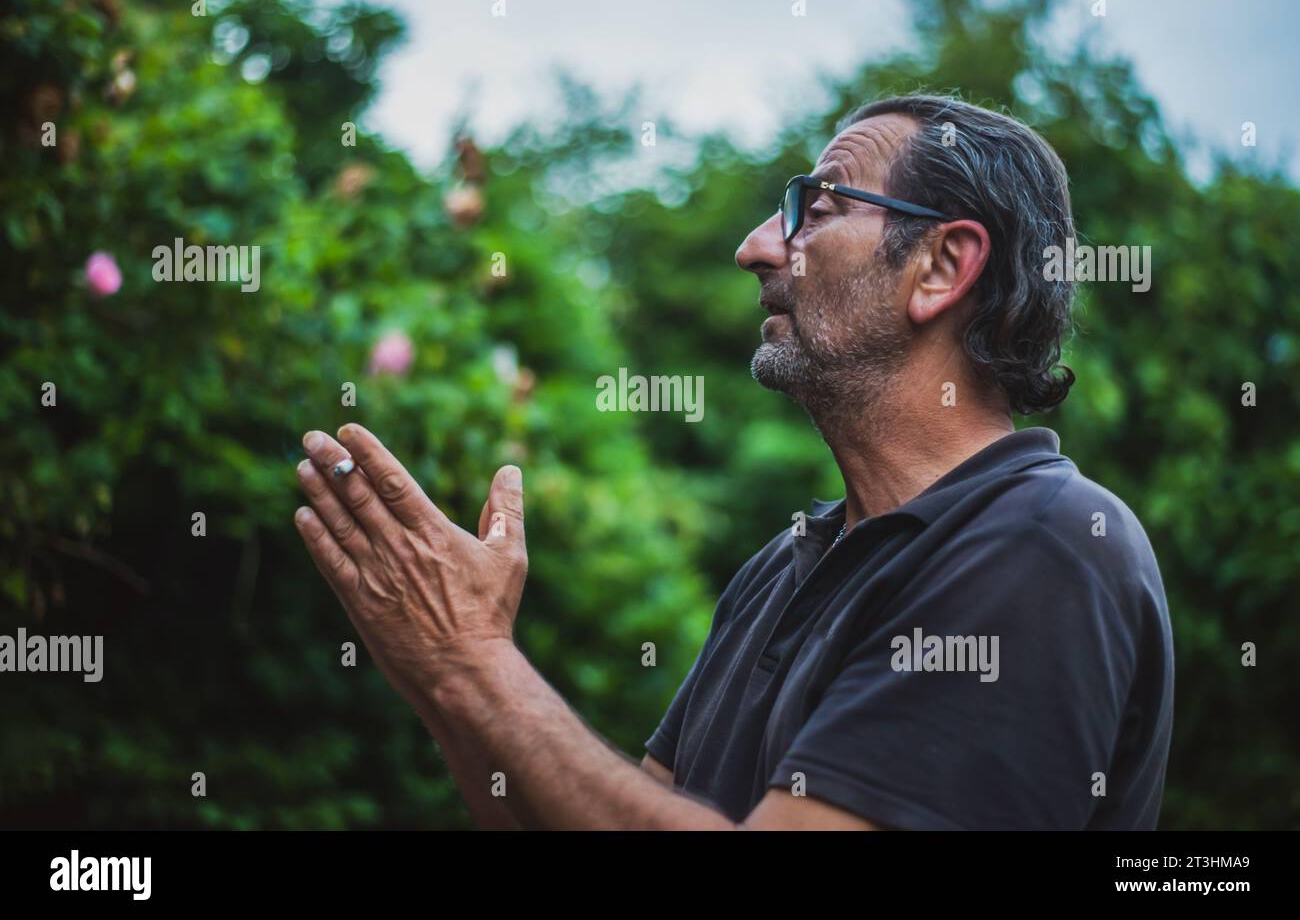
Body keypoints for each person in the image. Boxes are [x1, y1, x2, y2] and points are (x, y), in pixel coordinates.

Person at [292, 93, 1174, 829]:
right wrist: (440, 675)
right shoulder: (778, 572)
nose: (755, 248)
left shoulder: (1046, 545)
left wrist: (471, 662)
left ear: (942, 265)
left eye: (818, 208)